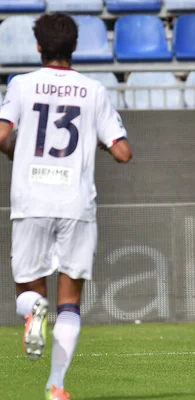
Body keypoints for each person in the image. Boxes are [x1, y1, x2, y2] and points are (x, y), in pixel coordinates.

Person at [0, 13, 132, 400]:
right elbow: (123, 152)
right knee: (70, 299)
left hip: (31, 199)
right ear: (75, 48)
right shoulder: (93, 90)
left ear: (38, 46)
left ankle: (34, 312)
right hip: (76, 203)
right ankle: (56, 385)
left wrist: (14, 147)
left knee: (29, 289)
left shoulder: (21, 85)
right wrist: (98, 136)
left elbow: (3, 133)